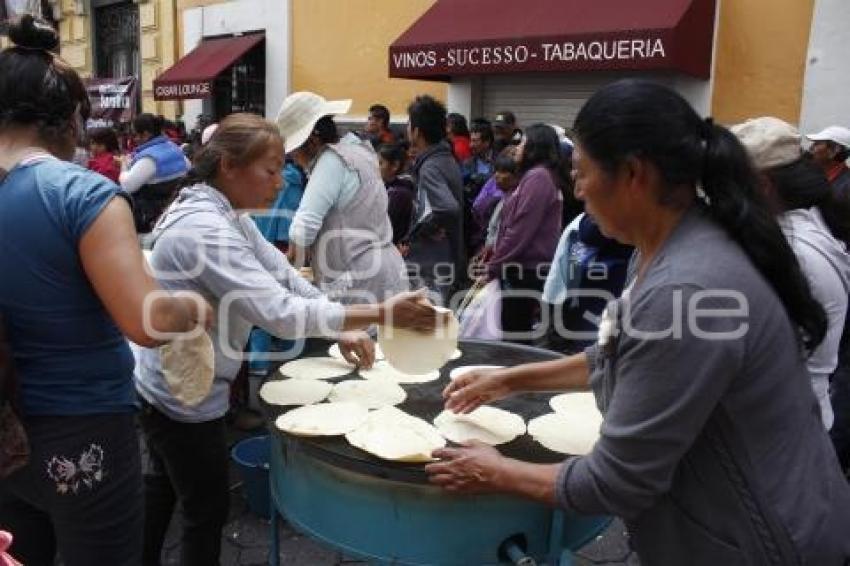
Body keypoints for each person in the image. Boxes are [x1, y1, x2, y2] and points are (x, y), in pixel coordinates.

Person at [427, 80, 850, 565]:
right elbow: (620, 353)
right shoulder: (664, 248)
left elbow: (615, 481)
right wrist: (509, 380)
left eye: (581, 172)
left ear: (634, 174)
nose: (577, 189)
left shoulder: (686, 288)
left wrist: (495, 472)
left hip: (766, 539)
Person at [136, 113, 441, 566]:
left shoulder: (226, 214)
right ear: (228, 167)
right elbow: (278, 314)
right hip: (181, 396)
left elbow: (283, 277)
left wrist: (345, 327)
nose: (281, 183)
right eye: (271, 169)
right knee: (205, 510)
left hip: (173, 382)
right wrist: (381, 311)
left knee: (163, 487)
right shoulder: (206, 229)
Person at [0, 16, 209, 566]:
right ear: (72, 118)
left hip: (6, 430)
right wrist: (193, 305)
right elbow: (146, 320)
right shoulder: (79, 193)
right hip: (78, 428)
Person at [734, 116, 850, 430]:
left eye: (724, 183)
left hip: (781, 428)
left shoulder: (790, 250)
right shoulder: (809, 223)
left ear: (762, 185)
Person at [277, 92, 409, 304]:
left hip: (359, 279)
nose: (293, 158)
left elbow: (303, 228)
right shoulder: (358, 149)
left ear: (311, 141)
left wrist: (285, 273)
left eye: (294, 151)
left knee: (360, 335)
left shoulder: (331, 161)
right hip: (385, 268)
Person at [486, 124, 563, 342]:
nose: (517, 148)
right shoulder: (532, 176)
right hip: (518, 268)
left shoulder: (538, 177)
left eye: (522, 143)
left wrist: (494, 266)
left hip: (525, 271)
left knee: (515, 333)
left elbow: (520, 230)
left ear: (535, 147)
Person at [405, 95, 465, 304]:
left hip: (429, 264)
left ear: (417, 131)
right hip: (444, 260)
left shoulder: (430, 167)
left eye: (409, 123)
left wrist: (422, 230)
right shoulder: (445, 158)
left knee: (427, 326)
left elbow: (447, 207)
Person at [120, 113, 191, 233]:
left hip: (152, 219)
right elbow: (188, 168)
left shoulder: (149, 158)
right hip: (177, 212)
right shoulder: (173, 148)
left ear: (146, 134)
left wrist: (124, 166)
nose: (133, 139)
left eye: (135, 135)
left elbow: (127, 186)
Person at [378, 143, 416, 246]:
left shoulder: (398, 194)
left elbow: (384, 227)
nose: (376, 167)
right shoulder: (387, 188)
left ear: (395, 166)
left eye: (380, 163)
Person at [806, 125, 850, 195]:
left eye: (817, 144)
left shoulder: (846, 186)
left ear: (834, 150)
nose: (810, 148)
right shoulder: (809, 174)